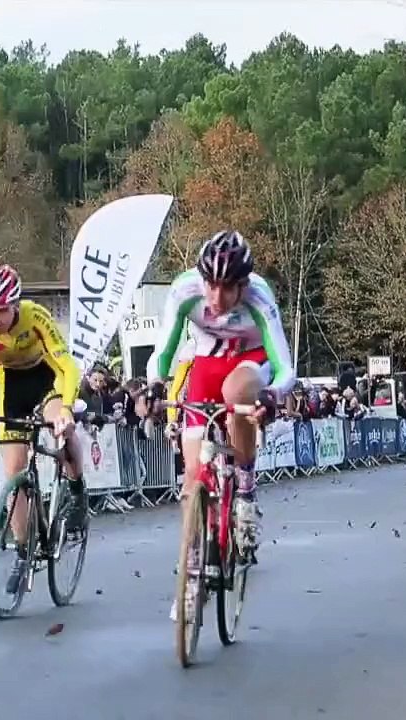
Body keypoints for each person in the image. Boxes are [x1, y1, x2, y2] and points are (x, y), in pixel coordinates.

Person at [145, 230, 294, 616]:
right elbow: (164, 350)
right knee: (193, 476)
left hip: (249, 363)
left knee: (236, 393)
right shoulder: (184, 291)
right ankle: (192, 571)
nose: (216, 298)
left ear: (243, 284)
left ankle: (244, 487)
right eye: (211, 285)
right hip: (206, 365)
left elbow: (284, 367)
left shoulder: (260, 297)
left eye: (227, 289)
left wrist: (272, 395)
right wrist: (153, 384)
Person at [0, 264, 87, 595]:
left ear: (15, 304)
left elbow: (67, 366)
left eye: (2, 309)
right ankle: (23, 550)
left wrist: (67, 409)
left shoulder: (36, 316)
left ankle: (76, 486)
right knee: (13, 474)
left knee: (62, 427)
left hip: (45, 379)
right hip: (10, 386)